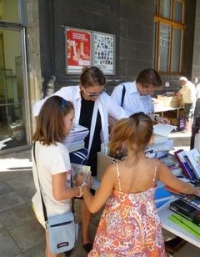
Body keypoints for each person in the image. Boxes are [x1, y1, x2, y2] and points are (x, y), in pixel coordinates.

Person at [76, 112, 200, 256]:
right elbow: (182, 186)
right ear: (152, 139)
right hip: (146, 231)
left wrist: (84, 186)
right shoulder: (156, 166)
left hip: (117, 232)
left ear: (125, 140)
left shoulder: (114, 170)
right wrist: (196, 190)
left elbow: (93, 207)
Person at [33, 66, 127, 253]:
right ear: (81, 86)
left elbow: (124, 116)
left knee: (86, 194)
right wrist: (48, 130)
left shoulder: (104, 99)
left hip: (90, 153)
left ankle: (85, 234)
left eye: (100, 92)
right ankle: (66, 230)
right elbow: (39, 108)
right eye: (92, 93)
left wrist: (122, 132)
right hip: (68, 153)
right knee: (67, 196)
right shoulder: (67, 93)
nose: (97, 97)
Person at [31, 96, 82, 257]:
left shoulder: (38, 143)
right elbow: (60, 194)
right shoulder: (58, 151)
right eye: (71, 120)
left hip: (44, 206)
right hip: (57, 212)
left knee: (52, 245)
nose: (72, 125)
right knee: (55, 249)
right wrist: (80, 188)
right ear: (58, 121)